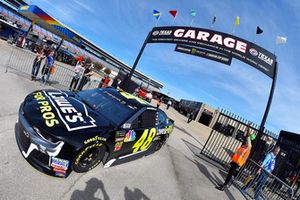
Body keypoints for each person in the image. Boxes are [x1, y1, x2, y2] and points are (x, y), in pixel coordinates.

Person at [216, 124, 254, 191]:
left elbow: (248, 136)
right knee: (230, 174)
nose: (246, 138)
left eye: (248, 138)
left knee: (230, 174)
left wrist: (248, 129)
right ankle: (225, 184)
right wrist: (233, 160)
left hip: (238, 163)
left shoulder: (249, 146)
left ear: (250, 139)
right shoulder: (245, 146)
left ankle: (224, 186)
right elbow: (238, 154)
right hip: (235, 162)